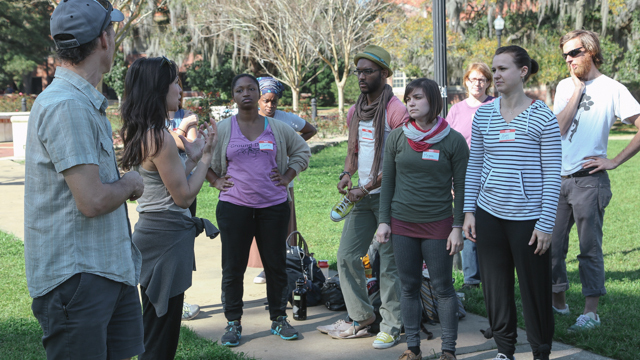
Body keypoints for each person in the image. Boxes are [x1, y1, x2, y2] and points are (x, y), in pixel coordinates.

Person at [24, 1, 145, 358]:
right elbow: (91, 201)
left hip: (105, 270)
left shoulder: (78, 102)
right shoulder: (68, 106)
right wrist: (131, 184)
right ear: (104, 40)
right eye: (113, 31)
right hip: (79, 281)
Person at [462, 46, 562, 360]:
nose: (497, 75)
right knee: (495, 290)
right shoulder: (484, 114)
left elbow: (552, 175)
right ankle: (505, 351)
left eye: (503, 69)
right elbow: (474, 165)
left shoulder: (542, 115)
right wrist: (468, 211)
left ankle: (541, 352)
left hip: (529, 221)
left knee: (535, 291)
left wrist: (546, 224)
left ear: (522, 72)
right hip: (489, 216)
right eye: (495, 69)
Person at [120, 56, 219, 360]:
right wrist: (205, 158)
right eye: (175, 81)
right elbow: (184, 197)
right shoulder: (160, 136)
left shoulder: (145, 131)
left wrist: (192, 157)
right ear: (158, 88)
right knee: (161, 341)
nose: (180, 87)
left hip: (153, 235)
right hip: (165, 240)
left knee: (154, 332)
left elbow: (166, 181)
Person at [206, 74, 311, 347]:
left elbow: (302, 151)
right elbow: (201, 157)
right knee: (233, 267)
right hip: (234, 207)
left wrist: (287, 176)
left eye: (251, 89)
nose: (246, 94)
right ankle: (233, 322)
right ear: (234, 96)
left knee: (275, 266)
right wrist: (215, 180)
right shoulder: (224, 128)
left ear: (258, 92)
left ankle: (278, 318)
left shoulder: (277, 128)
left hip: (273, 208)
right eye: (239, 90)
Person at [317, 45, 407, 350]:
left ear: (384, 73)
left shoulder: (396, 111)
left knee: (388, 265)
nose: (361, 76)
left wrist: (367, 187)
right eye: (359, 71)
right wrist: (346, 174)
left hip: (390, 197)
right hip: (363, 196)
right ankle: (362, 318)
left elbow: (398, 161)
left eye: (368, 71)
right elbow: (353, 150)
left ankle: (392, 325)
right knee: (346, 256)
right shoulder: (356, 110)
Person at [551, 30, 640, 331]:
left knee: (589, 248)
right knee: (551, 245)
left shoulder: (613, 89)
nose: (569, 59)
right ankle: (559, 303)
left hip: (590, 181)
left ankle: (591, 313)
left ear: (590, 51)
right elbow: (558, 130)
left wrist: (614, 160)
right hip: (557, 179)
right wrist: (577, 90)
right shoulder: (564, 86)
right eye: (565, 55)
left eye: (574, 53)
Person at [376, 78, 468, 360]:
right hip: (402, 223)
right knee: (408, 286)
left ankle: (448, 351)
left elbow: (463, 186)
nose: (411, 103)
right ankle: (412, 347)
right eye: (408, 98)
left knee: (442, 288)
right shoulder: (397, 137)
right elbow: (388, 183)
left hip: (439, 225)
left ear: (433, 101)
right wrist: (383, 221)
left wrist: (457, 227)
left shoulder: (453, 140)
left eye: (417, 98)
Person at [248, 76, 318, 284]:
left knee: (283, 225)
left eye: (274, 101)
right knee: (259, 225)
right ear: (258, 100)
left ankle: (285, 264)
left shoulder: (286, 119)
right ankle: (264, 268)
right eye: (265, 101)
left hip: (282, 181)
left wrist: (292, 144)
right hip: (256, 181)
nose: (270, 105)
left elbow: (311, 129)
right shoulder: (249, 119)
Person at [446, 62, 494, 290]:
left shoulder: (497, 105)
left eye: (482, 79)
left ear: (488, 83)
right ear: (466, 81)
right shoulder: (456, 110)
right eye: (473, 79)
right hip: (464, 176)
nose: (478, 83)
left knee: (491, 225)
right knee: (468, 223)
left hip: (494, 176)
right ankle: (472, 279)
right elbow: (446, 145)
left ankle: (493, 274)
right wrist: (450, 180)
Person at [165, 78, 202, 320]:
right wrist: (181, 130)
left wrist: (178, 135)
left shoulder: (186, 114)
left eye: (180, 84)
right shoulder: (152, 119)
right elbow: (169, 143)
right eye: (173, 84)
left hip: (186, 184)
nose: (179, 90)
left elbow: (193, 145)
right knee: (167, 248)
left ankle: (181, 299)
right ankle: (170, 301)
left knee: (184, 247)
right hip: (163, 191)